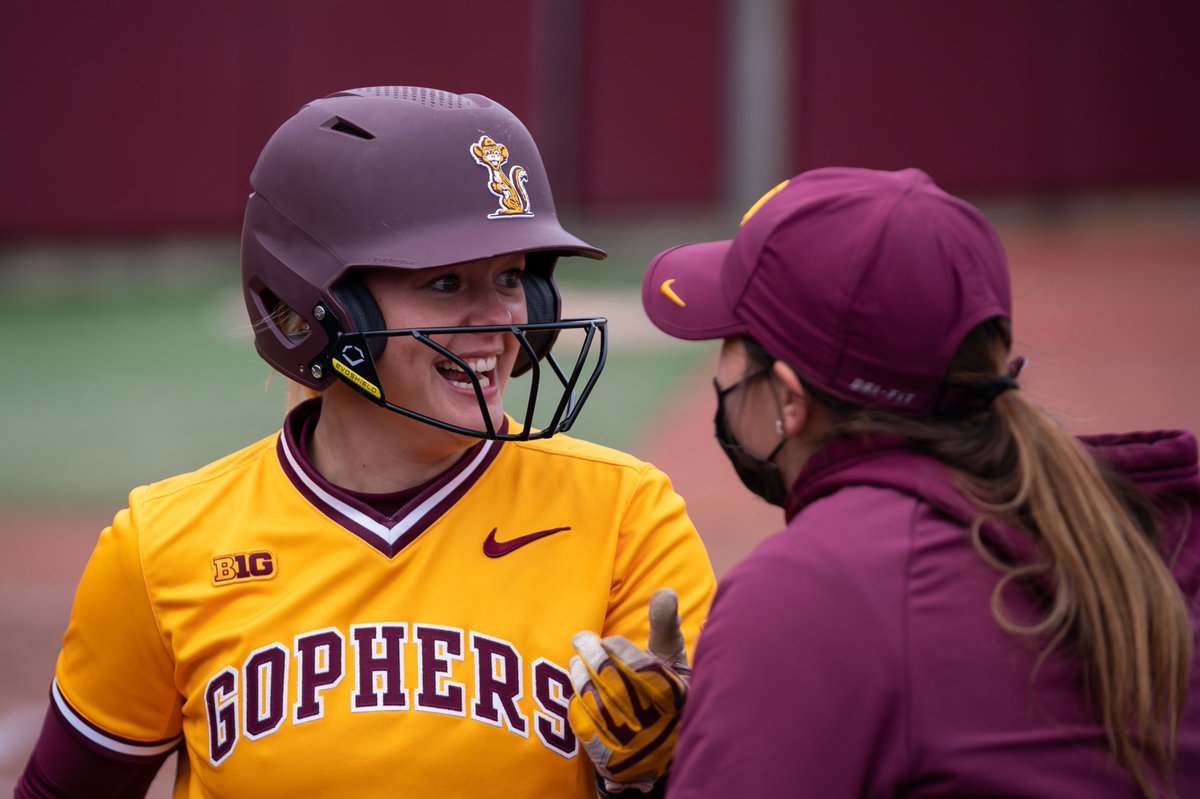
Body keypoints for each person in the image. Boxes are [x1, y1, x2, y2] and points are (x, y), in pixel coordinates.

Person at [15, 86, 715, 798]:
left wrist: (659, 777)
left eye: (510, 278)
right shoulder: (164, 546)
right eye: (446, 283)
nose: (501, 320)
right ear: (319, 305)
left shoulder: (625, 515)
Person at [638, 167, 1200, 798]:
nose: (720, 367)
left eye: (733, 338)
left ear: (788, 400)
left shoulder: (813, 594)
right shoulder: (1144, 526)